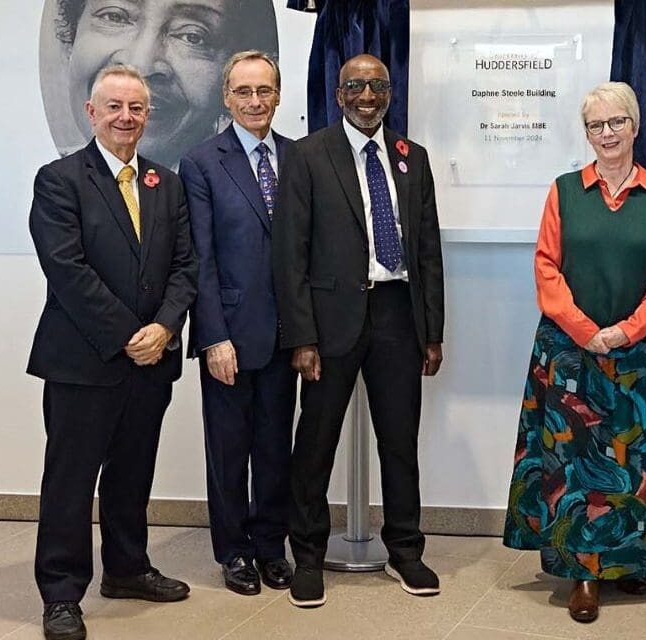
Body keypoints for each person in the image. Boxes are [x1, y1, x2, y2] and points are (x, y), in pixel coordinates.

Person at [502, 81, 646, 624]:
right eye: (595, 126)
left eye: (616, 123)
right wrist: (588, 332)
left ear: (635, 126)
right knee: (577, 464)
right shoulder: (563, 191)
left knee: (635, 461)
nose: (606, 134)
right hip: (569, 350)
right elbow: (546, 268)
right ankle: (584, 572)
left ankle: (628, 562)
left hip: (638, 353)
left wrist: (626, 331)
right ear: (586, 133)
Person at [27, 64, 198, 640]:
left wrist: (166, 328)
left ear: (148, 116)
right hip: (84, 362)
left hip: (151, 361)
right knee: (70, 482)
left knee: (132, 474)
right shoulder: (59, 180)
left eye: (137, 108)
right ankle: (60, 593)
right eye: (116, 107)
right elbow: (68, 271)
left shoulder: (165, 183)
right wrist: (131, 335)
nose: (127, 117)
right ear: (91, 112)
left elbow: (185, 266)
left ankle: (126, 569)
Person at [272, 53, 445, 608]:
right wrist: (301, 337)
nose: (367, 95)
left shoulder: (410, 158)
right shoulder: (307, 155)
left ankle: (406, 551)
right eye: (356, 86)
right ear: (339, 93)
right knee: (315, 443)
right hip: (329, 324)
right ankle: (306, 557)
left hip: (398, 315)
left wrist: (432, 331)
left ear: (389, 92)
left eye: (377, 85)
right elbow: (289, 254)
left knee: (400, 441)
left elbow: (428, 254)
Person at [179, 51, 296, 597]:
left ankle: (272, 546)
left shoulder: (298, 158)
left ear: (278, 94)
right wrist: (212, 335)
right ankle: (234, 552)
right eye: (243, 92)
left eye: (264, 91)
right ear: (227, 97)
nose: (255, 102)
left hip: (284, 336)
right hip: (228, 332)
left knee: (276, 447)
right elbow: (198, 257)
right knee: (229, 450)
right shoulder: (202, 161)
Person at [44, 0, 278, 169]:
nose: (140, 65)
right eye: (114, 16)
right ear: (72, 34)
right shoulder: (57, 183)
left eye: (192, 36)